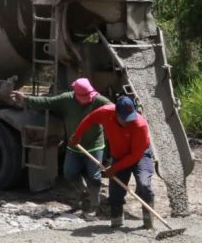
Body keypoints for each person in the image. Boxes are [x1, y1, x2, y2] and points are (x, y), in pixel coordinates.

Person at [11, 78, 110, 218]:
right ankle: (84, 194)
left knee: (94, 177)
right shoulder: (66, 100)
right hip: (74, 146)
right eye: (84, 96)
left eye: (89, 96)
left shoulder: (98, 100)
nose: (87, 99)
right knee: (69, 173)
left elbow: (114, 110)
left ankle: (94, 206)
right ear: (75, 94)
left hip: (94, 146)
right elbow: (47, 102)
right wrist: (26, 99)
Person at [69, 96, 154, 229]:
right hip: (119, 155)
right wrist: (77, 135)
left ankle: (148, 222)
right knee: (115, 192)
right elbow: (90, 119)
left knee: (144, 184)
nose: (128, 121)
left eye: (130, 117)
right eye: (124, 118)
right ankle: (117, 220)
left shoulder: (140, 125)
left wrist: (115, 168)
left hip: (140, 155)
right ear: (116, 114)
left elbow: (135, 155)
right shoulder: (105, 112)